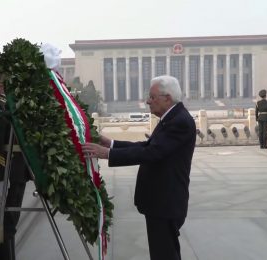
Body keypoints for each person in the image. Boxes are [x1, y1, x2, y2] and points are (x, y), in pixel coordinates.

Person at [82, 75, 196, 260]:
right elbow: (147, 146)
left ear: (167, 98)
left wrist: (107, 154)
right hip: (161, 201)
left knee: (164, 254)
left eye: (152, 97)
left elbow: (152, 153)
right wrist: (111, 144)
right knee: (164, 253)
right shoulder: (172, 118)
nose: (147, 101)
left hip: (165, 202)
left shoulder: (179, 121)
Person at [0, 64, 32, 260]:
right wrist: (3, 174)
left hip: (17, 170)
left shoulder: (11, 105)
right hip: (7, 172)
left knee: (11, 220)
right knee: (4, 222)